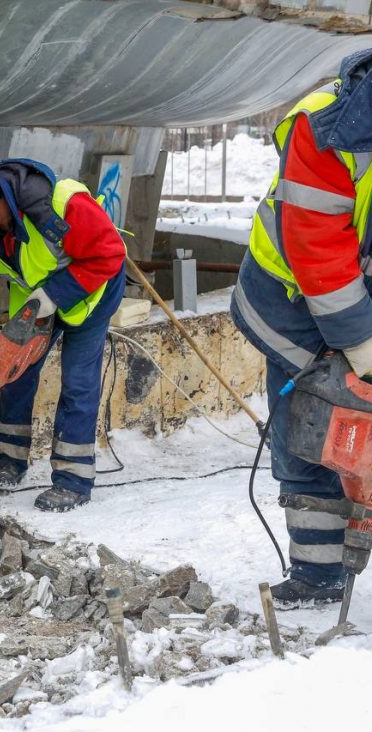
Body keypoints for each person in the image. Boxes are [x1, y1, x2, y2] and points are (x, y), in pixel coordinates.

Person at [231, 49, 372, 605]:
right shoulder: (329, 127)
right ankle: (317, 576)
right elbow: (319, 254)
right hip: (291, 300)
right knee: (309, 429)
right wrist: (360, 344)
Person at [0, 146, 126, 512]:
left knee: (78, 382)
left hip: (89, 294)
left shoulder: (63, 204)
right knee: (13, 374)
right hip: (33, 299)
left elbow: (109, 254)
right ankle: (8, 461)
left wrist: (57, 293)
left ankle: (73, 480)